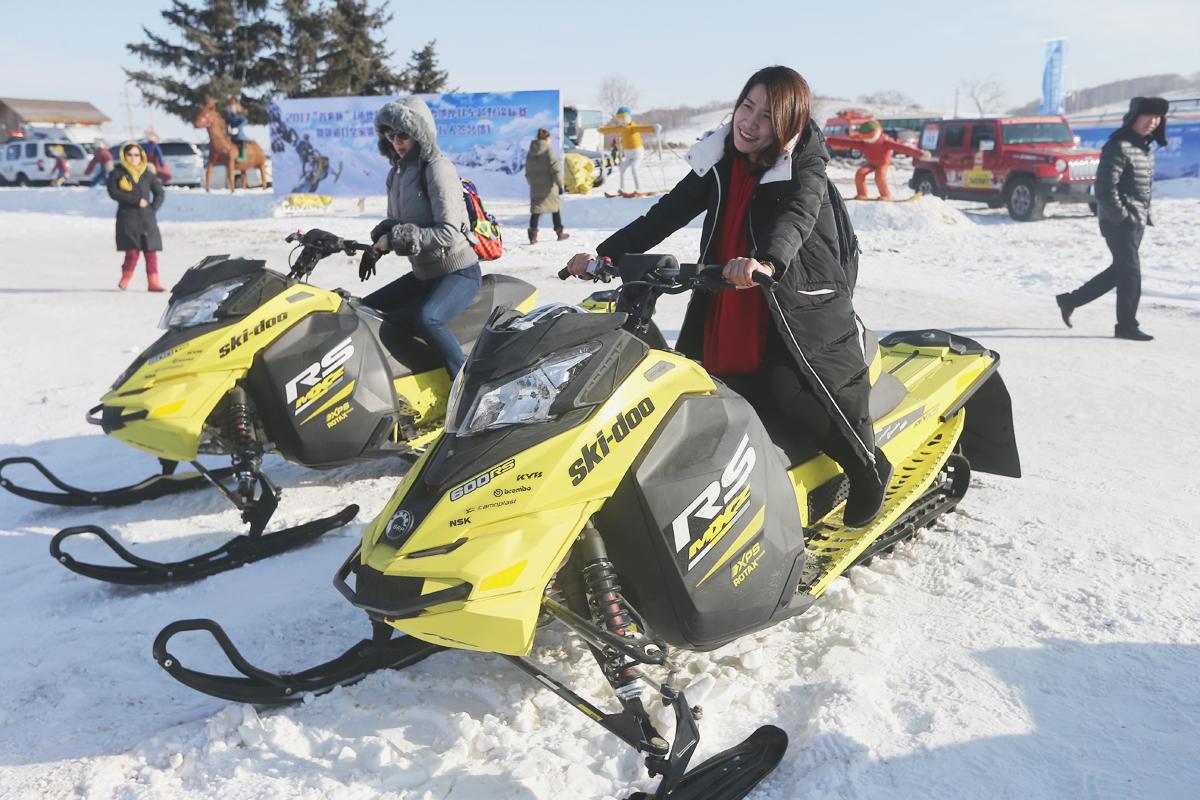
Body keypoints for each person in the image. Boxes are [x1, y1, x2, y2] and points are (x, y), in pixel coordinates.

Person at [566, 66, 892, 528]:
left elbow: (798, 216)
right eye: (747, 107)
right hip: (729, 289)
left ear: (787, 125)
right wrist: (604, 255)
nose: (750, 122)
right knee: (702, 387)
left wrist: (768, 262)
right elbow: (667, 214)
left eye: (766, 116)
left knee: (791, 388)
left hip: (795, 294)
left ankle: (866, 468)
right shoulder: (720, 158)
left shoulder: (805, 163)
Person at [365, 96, 482, 377]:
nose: (397, 141)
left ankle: (466, 386)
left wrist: (393, 240)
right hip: (424, 275)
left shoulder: (438, 167)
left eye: (403, 133)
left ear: (421, 132)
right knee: (365, 310)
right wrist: (378, 242)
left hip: (458, 271)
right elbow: (399, 223)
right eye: (390, 135)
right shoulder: (398, 173)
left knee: (427, 318)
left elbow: (448, 231)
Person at [1056, 97, 1168, 342]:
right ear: (1134, 117)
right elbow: (1105, 188)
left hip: (1135, 220)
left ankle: (1070, 300)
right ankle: (1127, 326)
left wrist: (1140, 217)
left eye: (1157, 117)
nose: (1153, 122)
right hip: (1119, 222)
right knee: (1131, 273)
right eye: (1147, 116)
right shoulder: (1118, 145)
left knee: (1120, 271)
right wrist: (1123, 216)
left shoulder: (1144, 146)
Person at [107, 142, 165, 292]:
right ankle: (125, 277)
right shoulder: (118, 173)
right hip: (128, 218)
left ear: (142, 156)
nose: (133, 158)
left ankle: (153, 282)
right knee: (132, 252)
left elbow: (159, 192)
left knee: (150, 252)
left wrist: (153, 207)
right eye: (130, 155)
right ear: (124, 156)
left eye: (136, 155)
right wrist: (135, 200)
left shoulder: (147, 173)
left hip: (147, 218)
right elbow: (114, 192)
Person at [825, 120, 927, 200]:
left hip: (883, 163)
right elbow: (846, 142)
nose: (868, 141)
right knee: (860, 174)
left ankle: (886, 195)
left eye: (869, 138)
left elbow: (903, 148)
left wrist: (920, 154)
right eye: (865, 139)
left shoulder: (885, 142)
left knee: (879, 177)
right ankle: (862, 194)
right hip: (871, 163)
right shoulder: (864, 144)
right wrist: (828, 140)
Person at [599, 106, 658, 197]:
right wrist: (602, 130)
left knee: (634, 168)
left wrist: (653, 128)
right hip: (628, 155)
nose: (622, 120)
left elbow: (643, 128)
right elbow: (611, 130)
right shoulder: (621, 128)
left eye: (623, 118)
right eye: (620, 118)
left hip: (637, 154)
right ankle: (622, 189)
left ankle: (639, 189)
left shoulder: (632, 127)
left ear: (628, 117)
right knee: (622, 168)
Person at [525, 128, 568, 244]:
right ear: (546, 138)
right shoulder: (549, 151)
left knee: (536, 210)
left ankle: (532, 236)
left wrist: (532, 182)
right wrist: (560, 184)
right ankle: (559, 233)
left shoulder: (530, 152)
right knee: (555, 209)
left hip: (535, 187)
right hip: (549, 186)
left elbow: (527, 171)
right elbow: (556, 170)